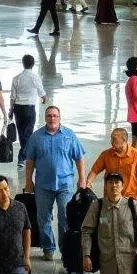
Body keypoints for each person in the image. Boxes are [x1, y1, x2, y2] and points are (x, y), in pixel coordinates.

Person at [24, 106, 87, 261]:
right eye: (49, 116)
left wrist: (82, 178)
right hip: (43, 185)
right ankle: (48, 248)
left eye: (55, 116)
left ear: (59, 117)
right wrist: (28, 181)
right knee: (43, 217)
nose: (52, 119)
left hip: (65, 185)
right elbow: (30, 160)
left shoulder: (69, 135)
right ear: (45, 118)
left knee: (65, 217)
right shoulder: (36, 137)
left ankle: (65, 249)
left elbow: (79, 157)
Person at [85, 128, 137, 208]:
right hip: (110, 200)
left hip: (130, 199)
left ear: (124, 139)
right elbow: (94, 171)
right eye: (111, 139)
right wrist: (88, 182)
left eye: (114, 139)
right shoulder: (106, 154)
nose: (111, 142)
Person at [10, 54, 47, 169]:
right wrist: (44, 99)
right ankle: (22, 158)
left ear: (23, 63)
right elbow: (42, 93)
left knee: (22, 134)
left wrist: (11, 110)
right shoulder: (35, 78)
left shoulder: (16, 78)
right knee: (28, 133)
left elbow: (12, 96)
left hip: (18, 108)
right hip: (29, 108)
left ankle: (24, 157)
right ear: (33, 64)